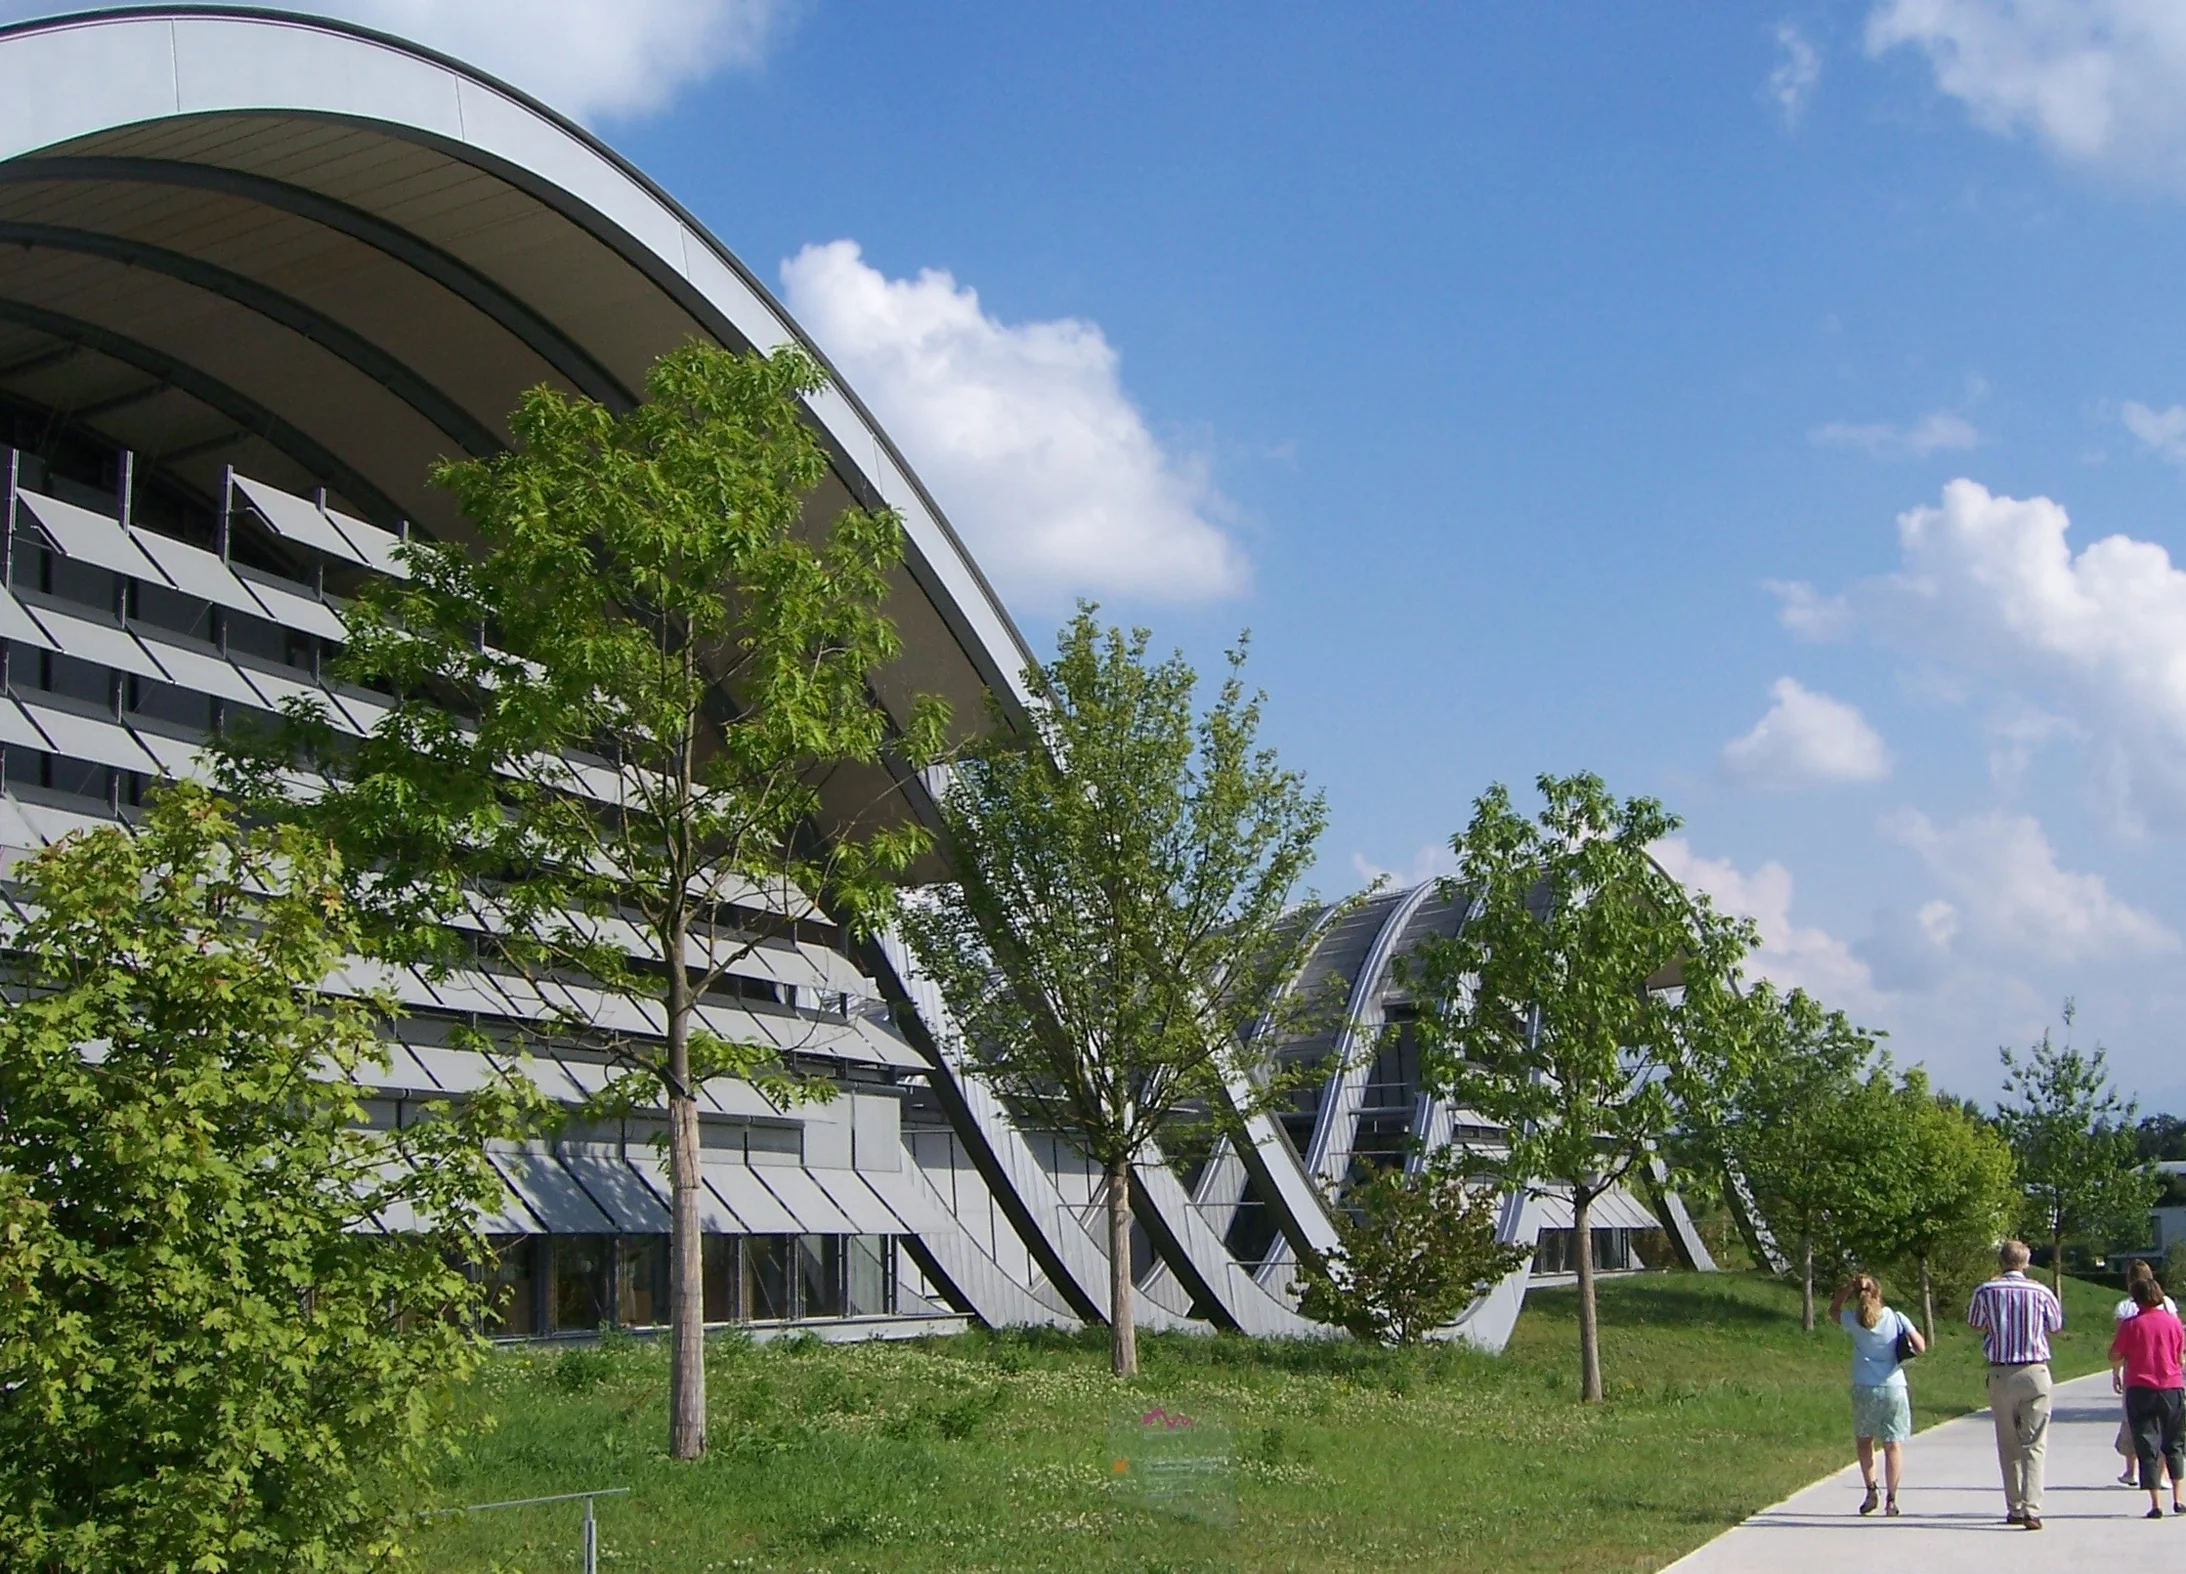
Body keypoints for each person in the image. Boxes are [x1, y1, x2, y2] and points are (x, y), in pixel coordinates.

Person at [1967, 1239, 2065, 1530]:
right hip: (2035, 1370)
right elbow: (2056, 1326)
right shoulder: (2042, 1291)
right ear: (2026, 1262)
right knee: (2034, 1442)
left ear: (2001, 1261)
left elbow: (1974, 1323)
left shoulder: (1986, 1290)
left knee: (2008, 1442)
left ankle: (2015, 1507)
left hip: (2001, 1371)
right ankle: (2033, 1508)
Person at [1827, 1272, 1926, 1516]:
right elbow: (1921, 1346)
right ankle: (1892, 1499)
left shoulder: (1854, 1320)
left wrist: (1846, 1289)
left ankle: (1871, 1489)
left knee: (1865, 1440)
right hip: (1894, 1386)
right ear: (1879, 1293)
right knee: (1892, 1444)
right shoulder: (1896, 1317)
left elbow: (1833, 1311)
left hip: (1864, 1386)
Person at [2110, 1275, 2186, 1518]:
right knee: (2174, 1444)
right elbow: (2180, 1357)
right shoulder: (2174, 1323)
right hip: (2172, 1387)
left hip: (2140, 1388)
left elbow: (2115, 1354)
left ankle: (2156, 1503)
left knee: (2147, 1444)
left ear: (2136, 1298)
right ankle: (2179, 1498)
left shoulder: (2131, 1325)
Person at [2115, 1260, 2180, 1485]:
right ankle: (2161, 1475)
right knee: (2165, 1424)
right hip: (2167, 1371)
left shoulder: (2125, 1308)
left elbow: (2119, 1345)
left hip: (2136, 1371)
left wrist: (2116, 1372)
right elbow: (2177, 1340)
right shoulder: (2167, 1305)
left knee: (2134, 1422)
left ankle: (2132, 1470)